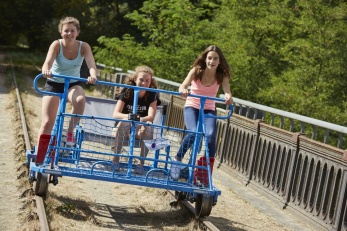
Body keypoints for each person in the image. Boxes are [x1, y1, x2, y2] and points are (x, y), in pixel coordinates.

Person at [171, 45, 233, 184]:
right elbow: (183, 85)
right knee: (193, 132)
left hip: (208, 109)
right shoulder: (196, 71)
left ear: (220, 61)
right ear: (205, 59)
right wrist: (183, 90)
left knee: (210, 136)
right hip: (192, 106)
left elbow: (227, 91)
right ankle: (178, 159)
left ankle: (206, 170)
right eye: (210, 58)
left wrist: (228, 97)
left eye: (215, 59)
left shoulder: (221, 75)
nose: (212, 61)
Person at [38, 16, 97, 146]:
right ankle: (40, 153)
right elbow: (47, 64)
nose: (69, 34)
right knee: (48, 122)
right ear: (61, 32)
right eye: (66, 31)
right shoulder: (56, 44)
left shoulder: (84, 46)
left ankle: (70, 131)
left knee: (80, 100)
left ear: (77, 33)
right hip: (54, 83)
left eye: (72, 31)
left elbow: (91, 65)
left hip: (72, 84)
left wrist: (92, 75)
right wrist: (46, 71)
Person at [112, 66, 158, 169]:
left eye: (147, 81)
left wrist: (140, 120)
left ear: (150, 82)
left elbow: (150, 117)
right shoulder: (128, 91)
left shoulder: (152, 94)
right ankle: (115, 159)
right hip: (123, 127)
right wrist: (130, 117)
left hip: (140, 128)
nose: (144, 83)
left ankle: (141, 164)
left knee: (149, 127)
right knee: (126, 122)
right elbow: (115, 114)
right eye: (141, 80)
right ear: (135, 79)